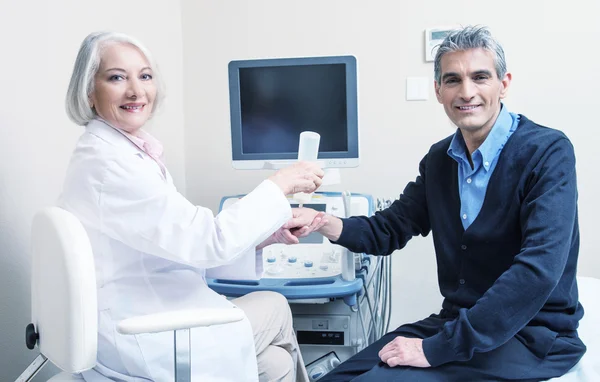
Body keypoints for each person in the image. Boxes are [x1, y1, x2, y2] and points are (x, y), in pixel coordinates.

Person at [288, 25, 586, 381]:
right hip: (460, 323)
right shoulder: (440, 160)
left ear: (503, 83)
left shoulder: (547, 152)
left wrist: (433, 349)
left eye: (480, 77)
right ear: (438, 91)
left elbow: (538, 271)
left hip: (531, 335)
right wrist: (321, 222)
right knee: (338, 377)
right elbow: (390, 227)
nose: (467, 92)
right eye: (453, 80)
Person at [58, 31, 328, 382]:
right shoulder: (110, 165)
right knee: (275, 305)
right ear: (89, 92)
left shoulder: (121, 154)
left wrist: (263, 237)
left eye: (145, 76)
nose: (136, 91)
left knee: (275, 363)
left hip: (147, 316)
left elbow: (177, 243)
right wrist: (280, 184)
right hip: (145, 334)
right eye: (117, 77)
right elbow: (208, 241)